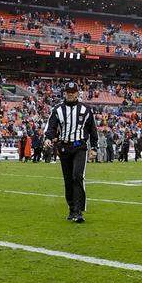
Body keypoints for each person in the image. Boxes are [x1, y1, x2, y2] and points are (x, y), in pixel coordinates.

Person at [45, 82, 98, 223]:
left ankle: (79, 211)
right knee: (68, 180)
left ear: (77, 93)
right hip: (64, 148)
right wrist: (48, 138)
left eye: (73, 91)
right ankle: (71, 208)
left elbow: (93, 130)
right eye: (68, 91)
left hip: (79, 146)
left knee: (77, 176)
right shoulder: (57, 110)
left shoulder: (86, 110)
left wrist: (94, 147)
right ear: (65, 93)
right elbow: (51, 127)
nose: (70, 94)